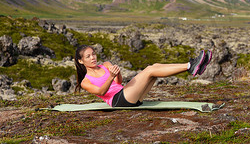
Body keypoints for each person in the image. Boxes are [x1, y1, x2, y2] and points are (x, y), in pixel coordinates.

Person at [74, 45, 212, 107]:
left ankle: (192, 67)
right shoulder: (85, 81)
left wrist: (117, 74)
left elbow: (118, 82)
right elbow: (101, 92)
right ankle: (190, 66)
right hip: (118, 102)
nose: (93, 57)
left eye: (93, 54)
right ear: (81, 61)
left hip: (129, 95)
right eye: (88, 56)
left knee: (155, 67)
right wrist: (110, 77)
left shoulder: (106, 64)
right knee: (149, 70)